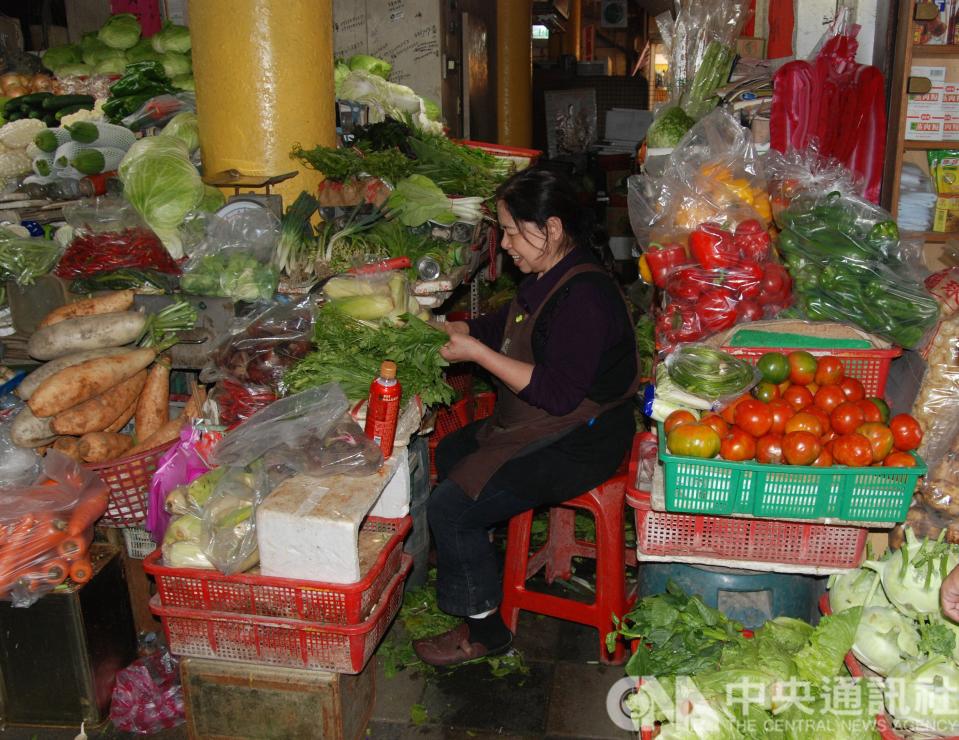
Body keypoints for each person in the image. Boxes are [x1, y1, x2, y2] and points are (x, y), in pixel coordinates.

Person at [412, 167, 639, 667]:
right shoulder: (549, 274)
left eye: (513, 230)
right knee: (452, 451)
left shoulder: (585, 296)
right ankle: (478, 562)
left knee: (449, 509)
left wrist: (474, 352)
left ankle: (485, 630)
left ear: (552, 229)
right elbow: (507, 325)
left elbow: (557, 395)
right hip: (547, 422)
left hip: (583, 438)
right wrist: (450, 327)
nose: (506, 243)